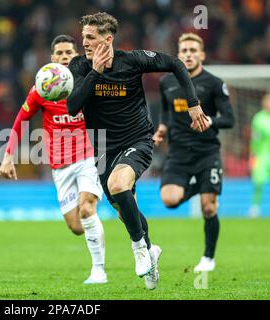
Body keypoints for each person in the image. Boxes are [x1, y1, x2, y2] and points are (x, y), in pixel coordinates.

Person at [67, 13, 209, 290]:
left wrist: (192, 102)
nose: (84, 42)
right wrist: (95, 72)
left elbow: (175, 63)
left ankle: (139, 249)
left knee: (118, 183)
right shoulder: (80, 66)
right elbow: (73, 107)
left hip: (138, 139)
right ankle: (150, 249)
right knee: (123, 209)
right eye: (83, 36)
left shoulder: (131, 61)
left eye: (90, 37)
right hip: (102, 149)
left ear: (107, 40)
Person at [0, 35, 107, 284]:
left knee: (87, 207)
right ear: (52, 58)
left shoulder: (88, 80)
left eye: (69, 52)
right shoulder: (42, 89)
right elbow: (20, 121)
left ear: (76, 54)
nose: (65, 56)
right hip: (60, 165)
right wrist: (8, 156)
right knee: (77, 226)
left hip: (88, 156)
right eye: (60, 53)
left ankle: (99, 270)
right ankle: (94, 226)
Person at [153, 33, 234, 272]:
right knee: (169, 200)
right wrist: (162, 128)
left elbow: (229, 119)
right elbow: (167, 111)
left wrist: (210, 122)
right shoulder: (166, 82)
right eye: (184, 51)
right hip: (178, 153)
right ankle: (201, 185)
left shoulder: (214, 83)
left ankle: (208, 258)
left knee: (209, 207)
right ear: (178, 55)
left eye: (193, 50)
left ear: (202, 55)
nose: (188, 54)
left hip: (207, 152)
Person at [249, 94, 270, 218]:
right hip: (263, 154)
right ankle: (255, 207)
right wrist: (253, 155)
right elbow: (255, 139)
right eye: (267, 102)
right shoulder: (258, 118)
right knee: (258, 181)